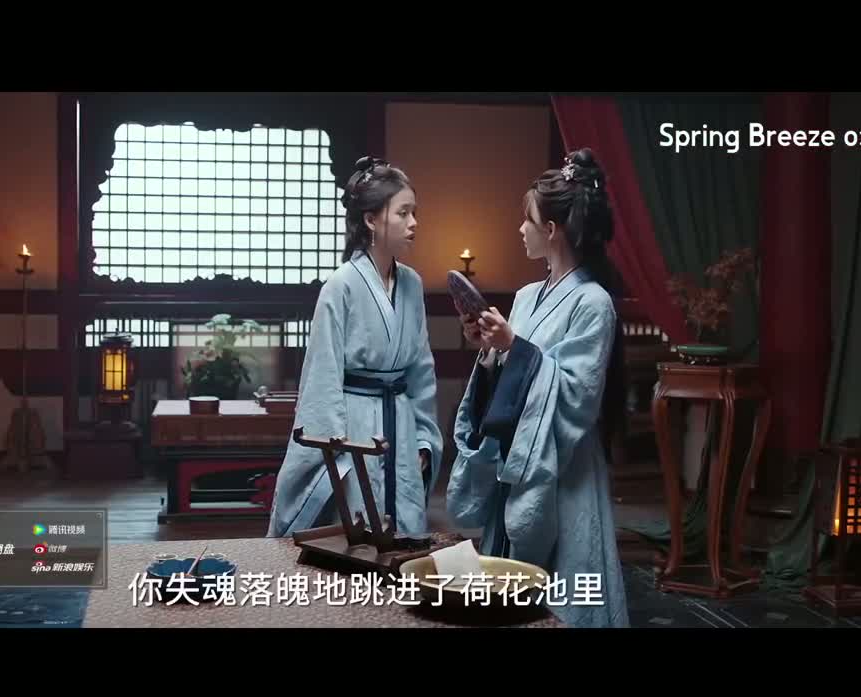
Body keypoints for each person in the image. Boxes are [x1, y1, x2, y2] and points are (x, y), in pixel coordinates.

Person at [445, 149, 630, 628]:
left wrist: (515, 347)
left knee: (566, 590)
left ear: (551, 230)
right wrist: (492, 351)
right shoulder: (527, 296)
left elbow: (577, 396)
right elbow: (513, 375)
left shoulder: (593, 303)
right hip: (518, 460)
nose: (520, 229)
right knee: (508, 589)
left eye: (527, 220)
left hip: (567, 468)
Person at [267, 156, 443, 539]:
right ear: (371, 220)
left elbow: (422, 372)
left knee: (405, 536)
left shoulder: (412, 284)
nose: (414, 223)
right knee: (357, 536)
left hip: (401, 423)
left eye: (414, 213)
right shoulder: (340, 286)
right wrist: (336, 455)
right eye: (403, 213)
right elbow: (322, 378)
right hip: (355, 429)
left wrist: (424, 441)